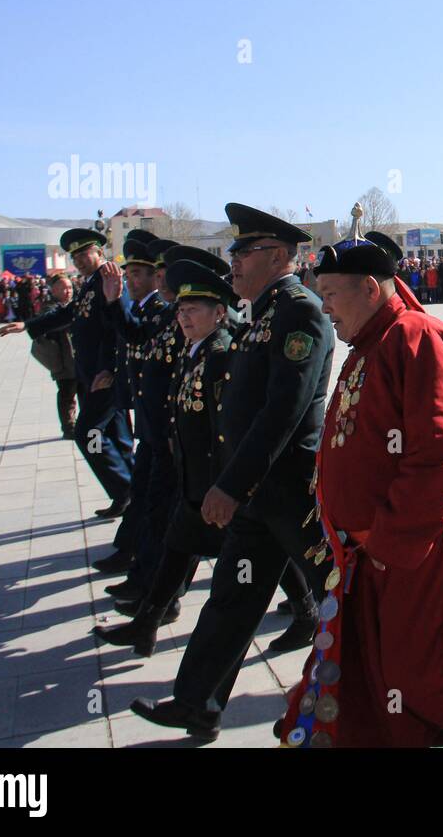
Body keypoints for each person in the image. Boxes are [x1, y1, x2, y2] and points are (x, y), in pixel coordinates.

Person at [274, 222, 443, 748]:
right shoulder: (369, 343)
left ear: (370, 289)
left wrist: (389, 537)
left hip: (416, 547)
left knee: (423, 671)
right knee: (378, 667)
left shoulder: (417, 338)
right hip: (375, 550)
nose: (325, 306)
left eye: (331, 293)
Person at [131, 204, 334, 740]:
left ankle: (394, 693)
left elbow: (283, 412)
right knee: (233, 596)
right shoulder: (264, 312)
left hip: (292, 491)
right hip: (257, 494)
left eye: (243, 252)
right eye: (235, 251)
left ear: (277, 256)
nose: (233, 262)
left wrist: (231, 484)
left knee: (339, 596)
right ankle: (196, 701)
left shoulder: (298, 312)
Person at [94, 258, 237, 655]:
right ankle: (148, 621)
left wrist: (222, 483)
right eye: (182, 309)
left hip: (214, 481)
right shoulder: (197, 348)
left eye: (193, 310)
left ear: (219, 312)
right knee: (175, 545)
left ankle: (310, 607)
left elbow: (223, 426)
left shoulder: (220, 355)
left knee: (264, 558)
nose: (184, 317)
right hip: (190, 473)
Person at [0, 228, 135, 518]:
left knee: (87, 432)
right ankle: (132, 494)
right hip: (92, 375)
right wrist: (29, 325)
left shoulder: (109, 281)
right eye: (75, 256)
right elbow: (69, 313)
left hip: (105, 377)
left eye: (85, 253)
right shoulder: (90, 284)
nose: (80, 260)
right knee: (117, 437)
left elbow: (118, 329)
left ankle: (126, 491)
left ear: (99, 251)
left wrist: (110, 368)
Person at [94, 233, 172, 588]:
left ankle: (148, 578)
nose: (132, 281)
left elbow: (138, 338)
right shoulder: (140, 308)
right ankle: (133, 557)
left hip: (165, 420)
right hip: (147, 415)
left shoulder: (162, 310)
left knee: (158, 500)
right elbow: (126, 347)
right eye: (129, 275)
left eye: (138, 274)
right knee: (145, 493)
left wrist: (115, 303)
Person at [29, 273, 78, 439]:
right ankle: (69, 427)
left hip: (77, 358)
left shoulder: (74, 305)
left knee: (81, 391)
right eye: (63, 288)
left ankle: (80, 424)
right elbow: (51, 325)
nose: (68, 291)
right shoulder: (49, 308)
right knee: (66, 393)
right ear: (53, 290)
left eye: (70, 287)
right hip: (62, 359)